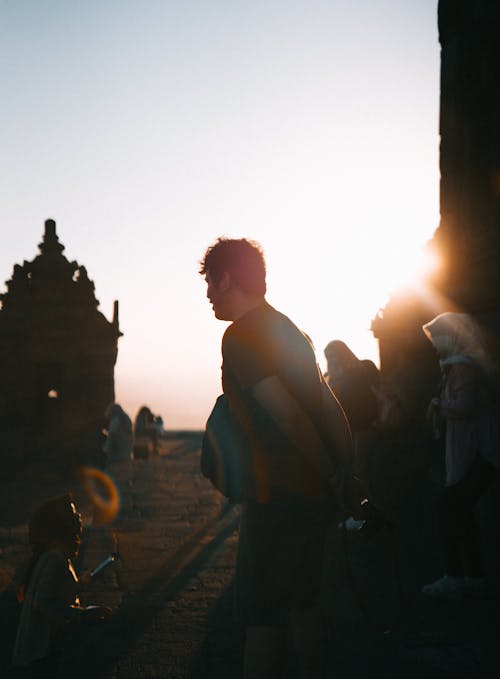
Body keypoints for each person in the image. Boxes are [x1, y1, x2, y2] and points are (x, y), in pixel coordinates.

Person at [200, 237, 354, 679]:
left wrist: (330, 474)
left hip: (276, 497)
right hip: (312, 498)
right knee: (304, 604)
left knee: (261, 614)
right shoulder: (291, 330)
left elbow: (286, 414)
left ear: (228, 277)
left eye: (211, 283)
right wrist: (345, 472)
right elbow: (326, 404)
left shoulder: (241, 336)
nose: (209, 294)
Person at [421, 312, 500, 599]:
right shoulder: (459, 368)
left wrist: (439, 405)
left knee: (450, 509)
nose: (434, 343)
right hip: (476, 451)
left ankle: (456, 574)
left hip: (477, 451)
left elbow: (464, 406)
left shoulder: (461, 369)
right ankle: (471, 574)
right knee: (460, 512)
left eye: (438, 336)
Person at [12, 494, 111, 677]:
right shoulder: (54, 559)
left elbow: (54, 591)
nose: (79, 518)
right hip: (42, 648)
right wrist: (80, 614)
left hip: (44, 646)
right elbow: (44, 601)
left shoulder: (54, 555)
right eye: (73, 515)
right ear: (61, 526)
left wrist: (80, 582)